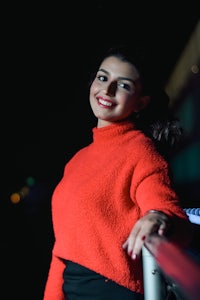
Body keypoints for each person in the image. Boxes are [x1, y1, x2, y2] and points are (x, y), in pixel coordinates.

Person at [43, 44, 192, 300]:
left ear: (140, 103)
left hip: (110, 291)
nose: (107, 90)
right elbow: (63, 248)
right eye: (103, 78)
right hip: (71, 289)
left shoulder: (140, 151)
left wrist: (157, 218)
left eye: (123, 85)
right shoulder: (76, 160)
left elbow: (168, 211)